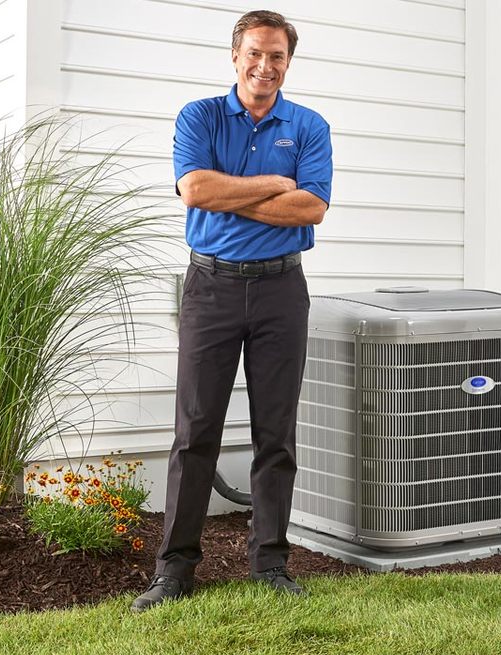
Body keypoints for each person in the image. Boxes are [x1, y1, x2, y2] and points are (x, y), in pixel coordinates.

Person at [131, 9, 333, 612]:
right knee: (195, 432)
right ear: (235, 56)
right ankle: (174, 570)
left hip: (281, 291)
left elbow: (312, 208)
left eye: (277, 56)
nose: (265, 66)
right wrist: (275, 183)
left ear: (288, 62)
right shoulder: (200, 116)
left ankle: (270, 564)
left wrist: (230, 193)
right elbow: (194, 190)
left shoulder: (310, 126)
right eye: (255, 53)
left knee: (277, 433)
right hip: (211, 288)